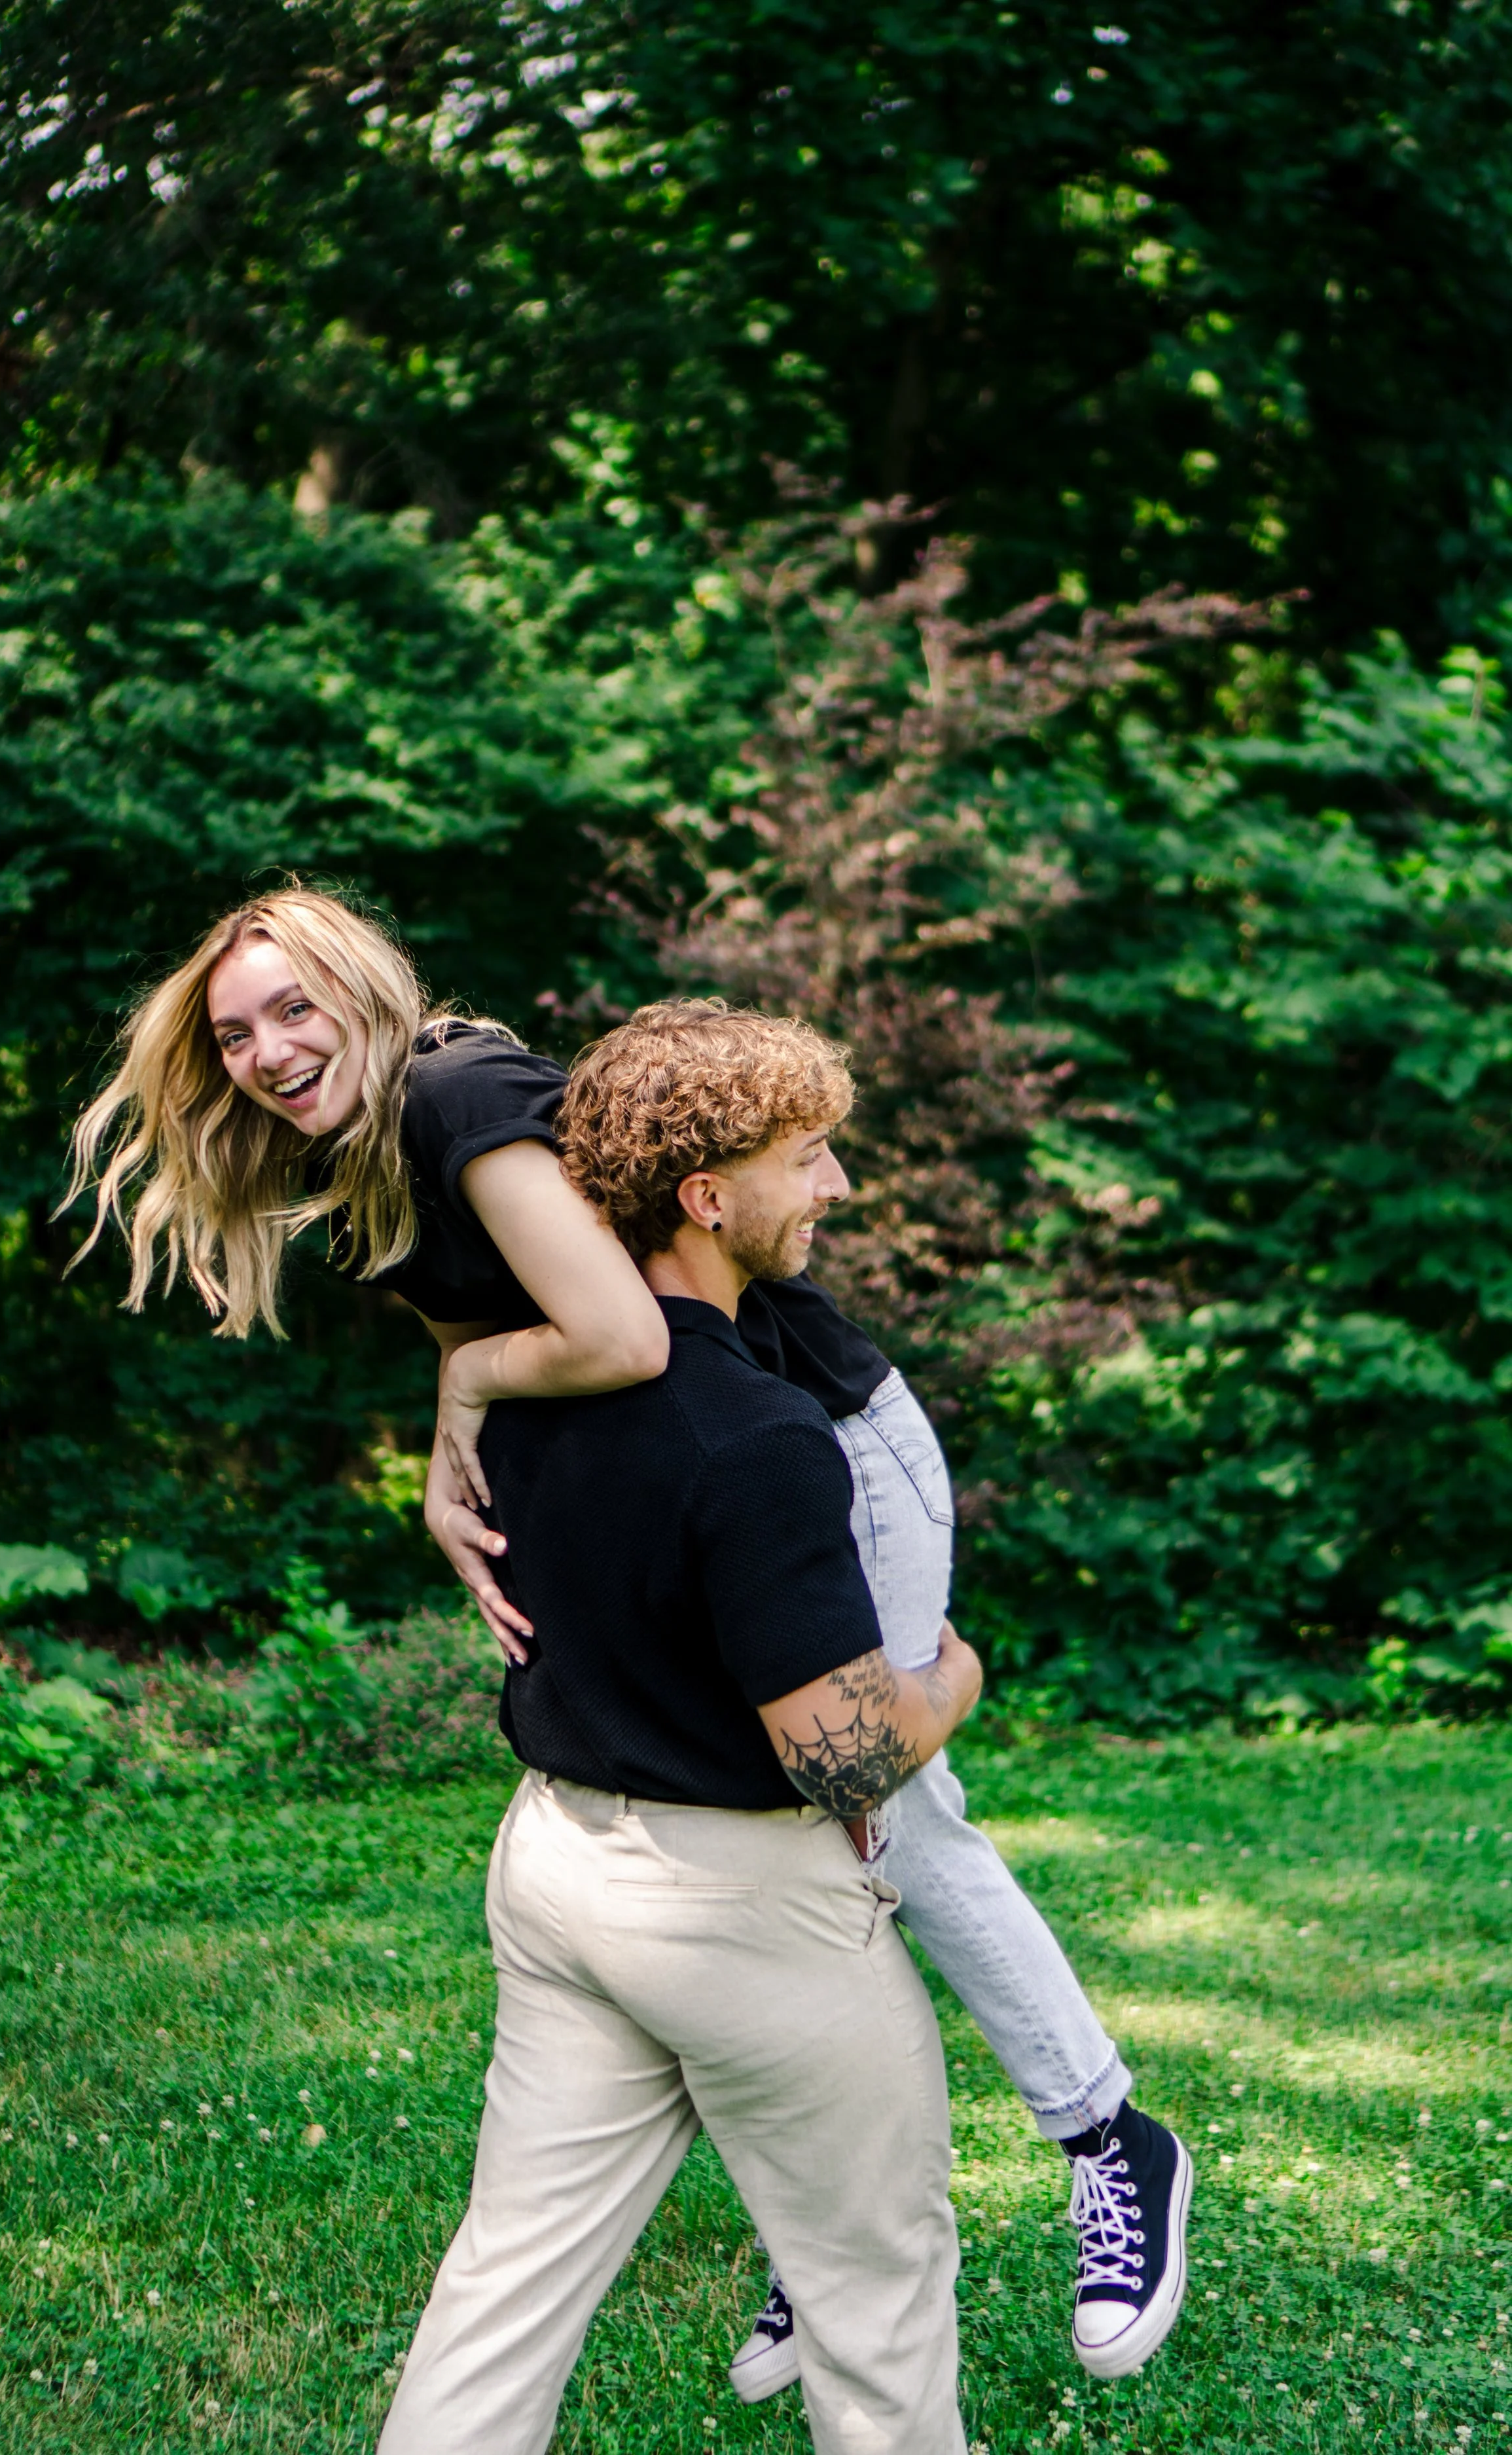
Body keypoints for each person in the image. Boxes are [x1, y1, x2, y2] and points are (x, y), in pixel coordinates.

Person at [63, 886, 1192, 2390]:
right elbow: (503, 1331)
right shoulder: (363, 1161)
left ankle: (1105, 2137)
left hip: (833, 1443)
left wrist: (462, 1405)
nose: (267, 1050)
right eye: (234, 1032)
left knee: (880, 1795)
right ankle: (831, 2219)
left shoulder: (462, 1097)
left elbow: (622, 1338)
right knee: (824, 1803)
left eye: (294, 1009)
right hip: (710, 1485)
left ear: (365, 989)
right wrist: (450, 1441)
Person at [377, 1006, 982, 2454]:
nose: (832, 1189)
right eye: (809, 1158)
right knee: (876, 2297)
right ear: (707, 1200)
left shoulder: (526, 1382)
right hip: (734, 1913)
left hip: (557, 1872)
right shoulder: (759, 1439)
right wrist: (957, 1672)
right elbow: (839, 1754)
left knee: (508, 2277)